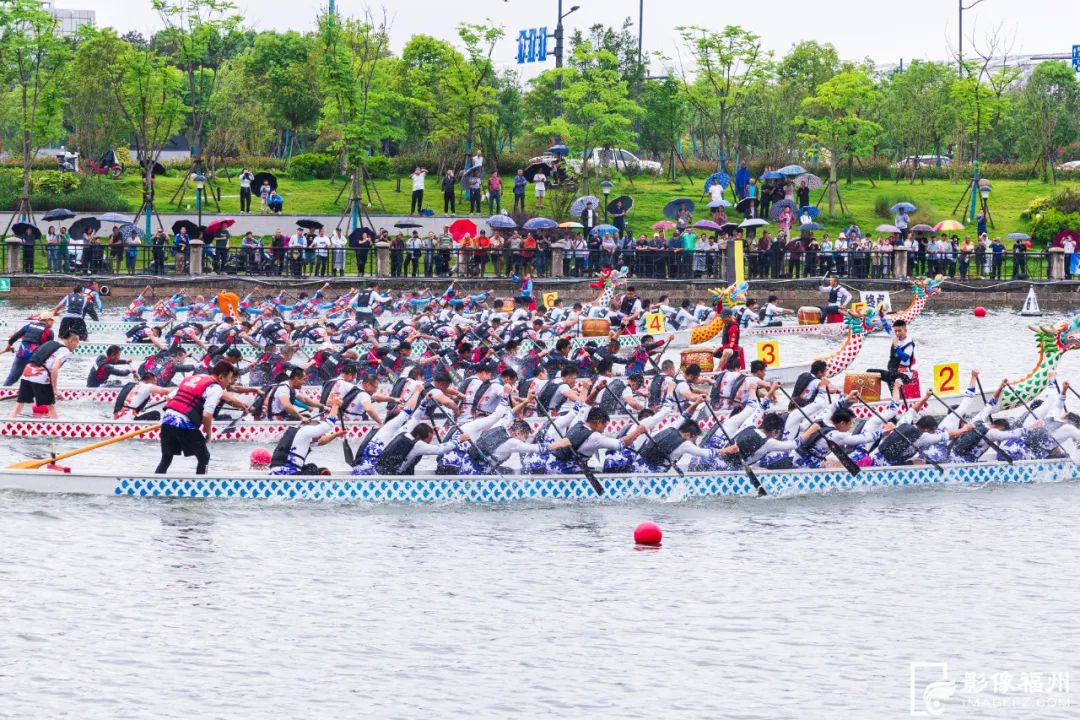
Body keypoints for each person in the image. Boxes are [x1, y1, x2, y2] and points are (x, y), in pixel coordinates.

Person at [155, 362, 237, 475]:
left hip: (167, 420)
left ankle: (157, 482)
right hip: (184, 424)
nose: (230, 382)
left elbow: (170, 397)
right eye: (229, 378)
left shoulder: (194, 378)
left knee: (166, 457)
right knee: (204, 457)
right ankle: (202, 487)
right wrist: (208, 434)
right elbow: (207, 415)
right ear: (221, 377)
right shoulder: (216, 388)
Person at [10, 331, 80, 418]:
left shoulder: (50, 343)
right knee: (51, 406)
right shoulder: (65, 350)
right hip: (40, 377)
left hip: (27, 373)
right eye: (77, 343)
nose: (77, 346)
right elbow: (54, 369)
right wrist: (55, 389)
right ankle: (56, 428)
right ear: (71, 341)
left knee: (19, 405)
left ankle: (7, 424)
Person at [268, 403, 346, 476]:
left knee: (311, 466)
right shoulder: (304, 431)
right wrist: (335, 405)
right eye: (319, 435)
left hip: (277, 473)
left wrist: (337, 434)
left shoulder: (298, 435)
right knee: (319, 471)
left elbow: (321, 441)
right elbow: (327, 426)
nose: (319, 437)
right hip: (286, 474)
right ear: (312, 429)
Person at [3, 312, 55, 386]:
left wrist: (9, 345)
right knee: (33, 379)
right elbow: (49, 348)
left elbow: (14, 337)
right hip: (35, 359)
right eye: (52, 321)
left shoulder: (29, 326)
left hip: (22, 355)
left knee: (12, 377)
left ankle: (3, 392)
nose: (53, 323)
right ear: (47, 320)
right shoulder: (49, 331)